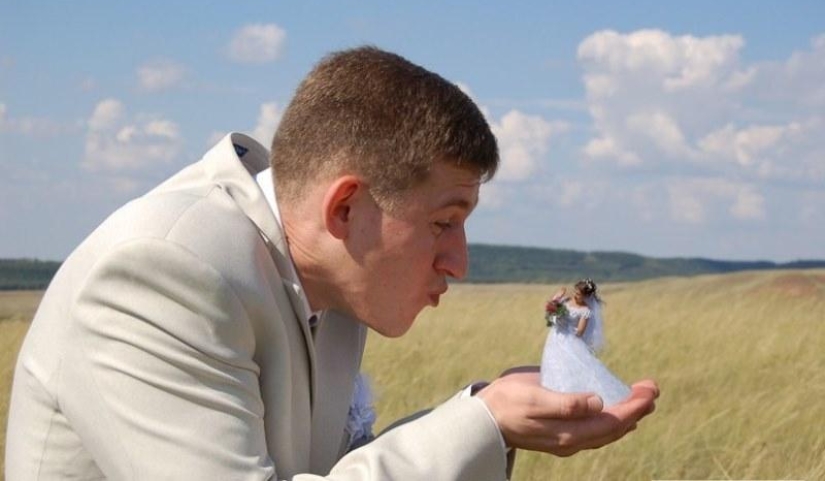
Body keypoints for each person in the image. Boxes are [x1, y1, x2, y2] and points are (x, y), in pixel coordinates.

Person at [6, 47, 658, 480]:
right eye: (442, 222)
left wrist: (494, 413)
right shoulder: (158, 272)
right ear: (346, 208)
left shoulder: (327, 283)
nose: (457, 261)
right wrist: (481, 421)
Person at [541, 279, 631, 406]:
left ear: (587, 296)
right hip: (555, 336)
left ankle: (570, 395)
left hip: (569, 339)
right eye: (575, 292)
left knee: (570, 364)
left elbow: (580, 331)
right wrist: (556, 305)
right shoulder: (566, 300)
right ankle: (551, 394)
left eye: (579, 294)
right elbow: (551, 308)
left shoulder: (585, 310)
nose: (575, 295)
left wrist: (566, 324)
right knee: (553, 362)